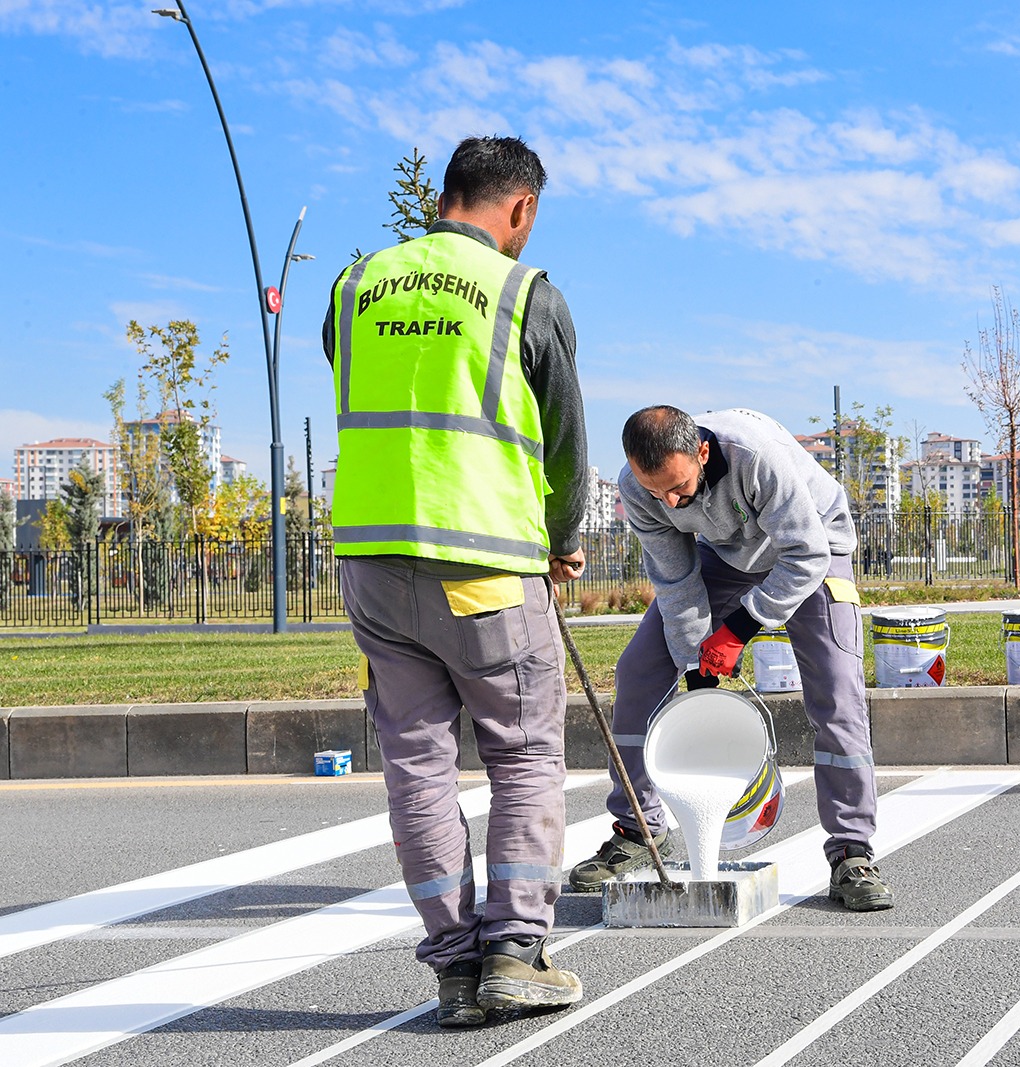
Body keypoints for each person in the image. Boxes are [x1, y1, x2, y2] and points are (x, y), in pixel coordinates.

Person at [321, 135, 589, 1028]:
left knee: (417, 764)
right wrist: (561, 543)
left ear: (446, 197)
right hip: (485, 567)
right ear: (520, 209)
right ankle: (516, 948)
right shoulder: (525, 293)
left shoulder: (355, 286)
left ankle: (454, 969)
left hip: (372, 564)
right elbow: (564, 443)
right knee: (522, 752)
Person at [569, 405, 894, 912]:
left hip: (814, 547)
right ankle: (640, 830)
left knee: (838, 691)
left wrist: (740, 628)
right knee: (638, 672)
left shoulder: (754, 457)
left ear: (702, 451)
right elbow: (676, 583)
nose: (670, 501)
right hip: (726, 556)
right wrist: (696, 668)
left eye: (678, 487)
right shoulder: (640, 489)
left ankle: (852, 850)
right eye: (657, 492)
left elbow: (804, 554)